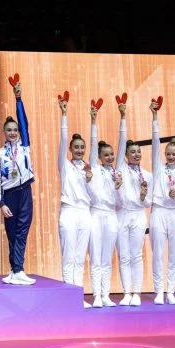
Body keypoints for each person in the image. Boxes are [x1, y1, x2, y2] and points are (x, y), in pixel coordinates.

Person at [0, 79, 36, 285]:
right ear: (4, 132)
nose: (12, 133)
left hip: (25, 191)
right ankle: (15, 270)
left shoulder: (24, 146)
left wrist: (18, 98)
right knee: (12, 233)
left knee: (22, 231)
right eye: (9, 130)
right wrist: (1, 203)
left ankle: (18, 269)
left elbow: (24, 122)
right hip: (9, 195)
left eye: (15, 130)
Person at [149, 102, 175, 305]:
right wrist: (155, 118)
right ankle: (159, 291)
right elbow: (155, 144)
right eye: (168, 154)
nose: (171, 157)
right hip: (158, 212)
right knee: (158, 253)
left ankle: (171, 291)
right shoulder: (158, 168)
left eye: (174, 154)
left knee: (174, 254)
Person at [88, 103, 126, 307]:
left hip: (112, 216)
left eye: (111, 154)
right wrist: (93, 121)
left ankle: (105, 295)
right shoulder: (95, 168)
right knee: (96, 257)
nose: (110, 157)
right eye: (106, 155)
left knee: (107, 258)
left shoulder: (117, 171)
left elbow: (122, 145)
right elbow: (93, 144)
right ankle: (96, 296)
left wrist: (123, 117)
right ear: (99, 157)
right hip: (96, 214)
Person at [57, 97, 94, 307]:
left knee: (80, 257)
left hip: (85, 213)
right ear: (70, 149)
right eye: (76, 147)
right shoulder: (65, 165)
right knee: (68, 255)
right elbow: (62, 140)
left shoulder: (89, 169)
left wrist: (93, 121)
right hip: (69, 211)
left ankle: (77, 297)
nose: (79, 150)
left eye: (82, 147)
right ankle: (67, 298)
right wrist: (64, 114)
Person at [116, 108, 153, 306]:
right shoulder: (120, 168)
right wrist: (123, 117)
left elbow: (148, 203)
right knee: (124, 256)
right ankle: (126, 293)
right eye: (132, 152)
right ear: (125, 155)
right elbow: (121, 142)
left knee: (136, 255)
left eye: (139, 152)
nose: (137, 154)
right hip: (122, 214)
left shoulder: (147, 175)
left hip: (138, 215)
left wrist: (144, 196)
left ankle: (136, 293)